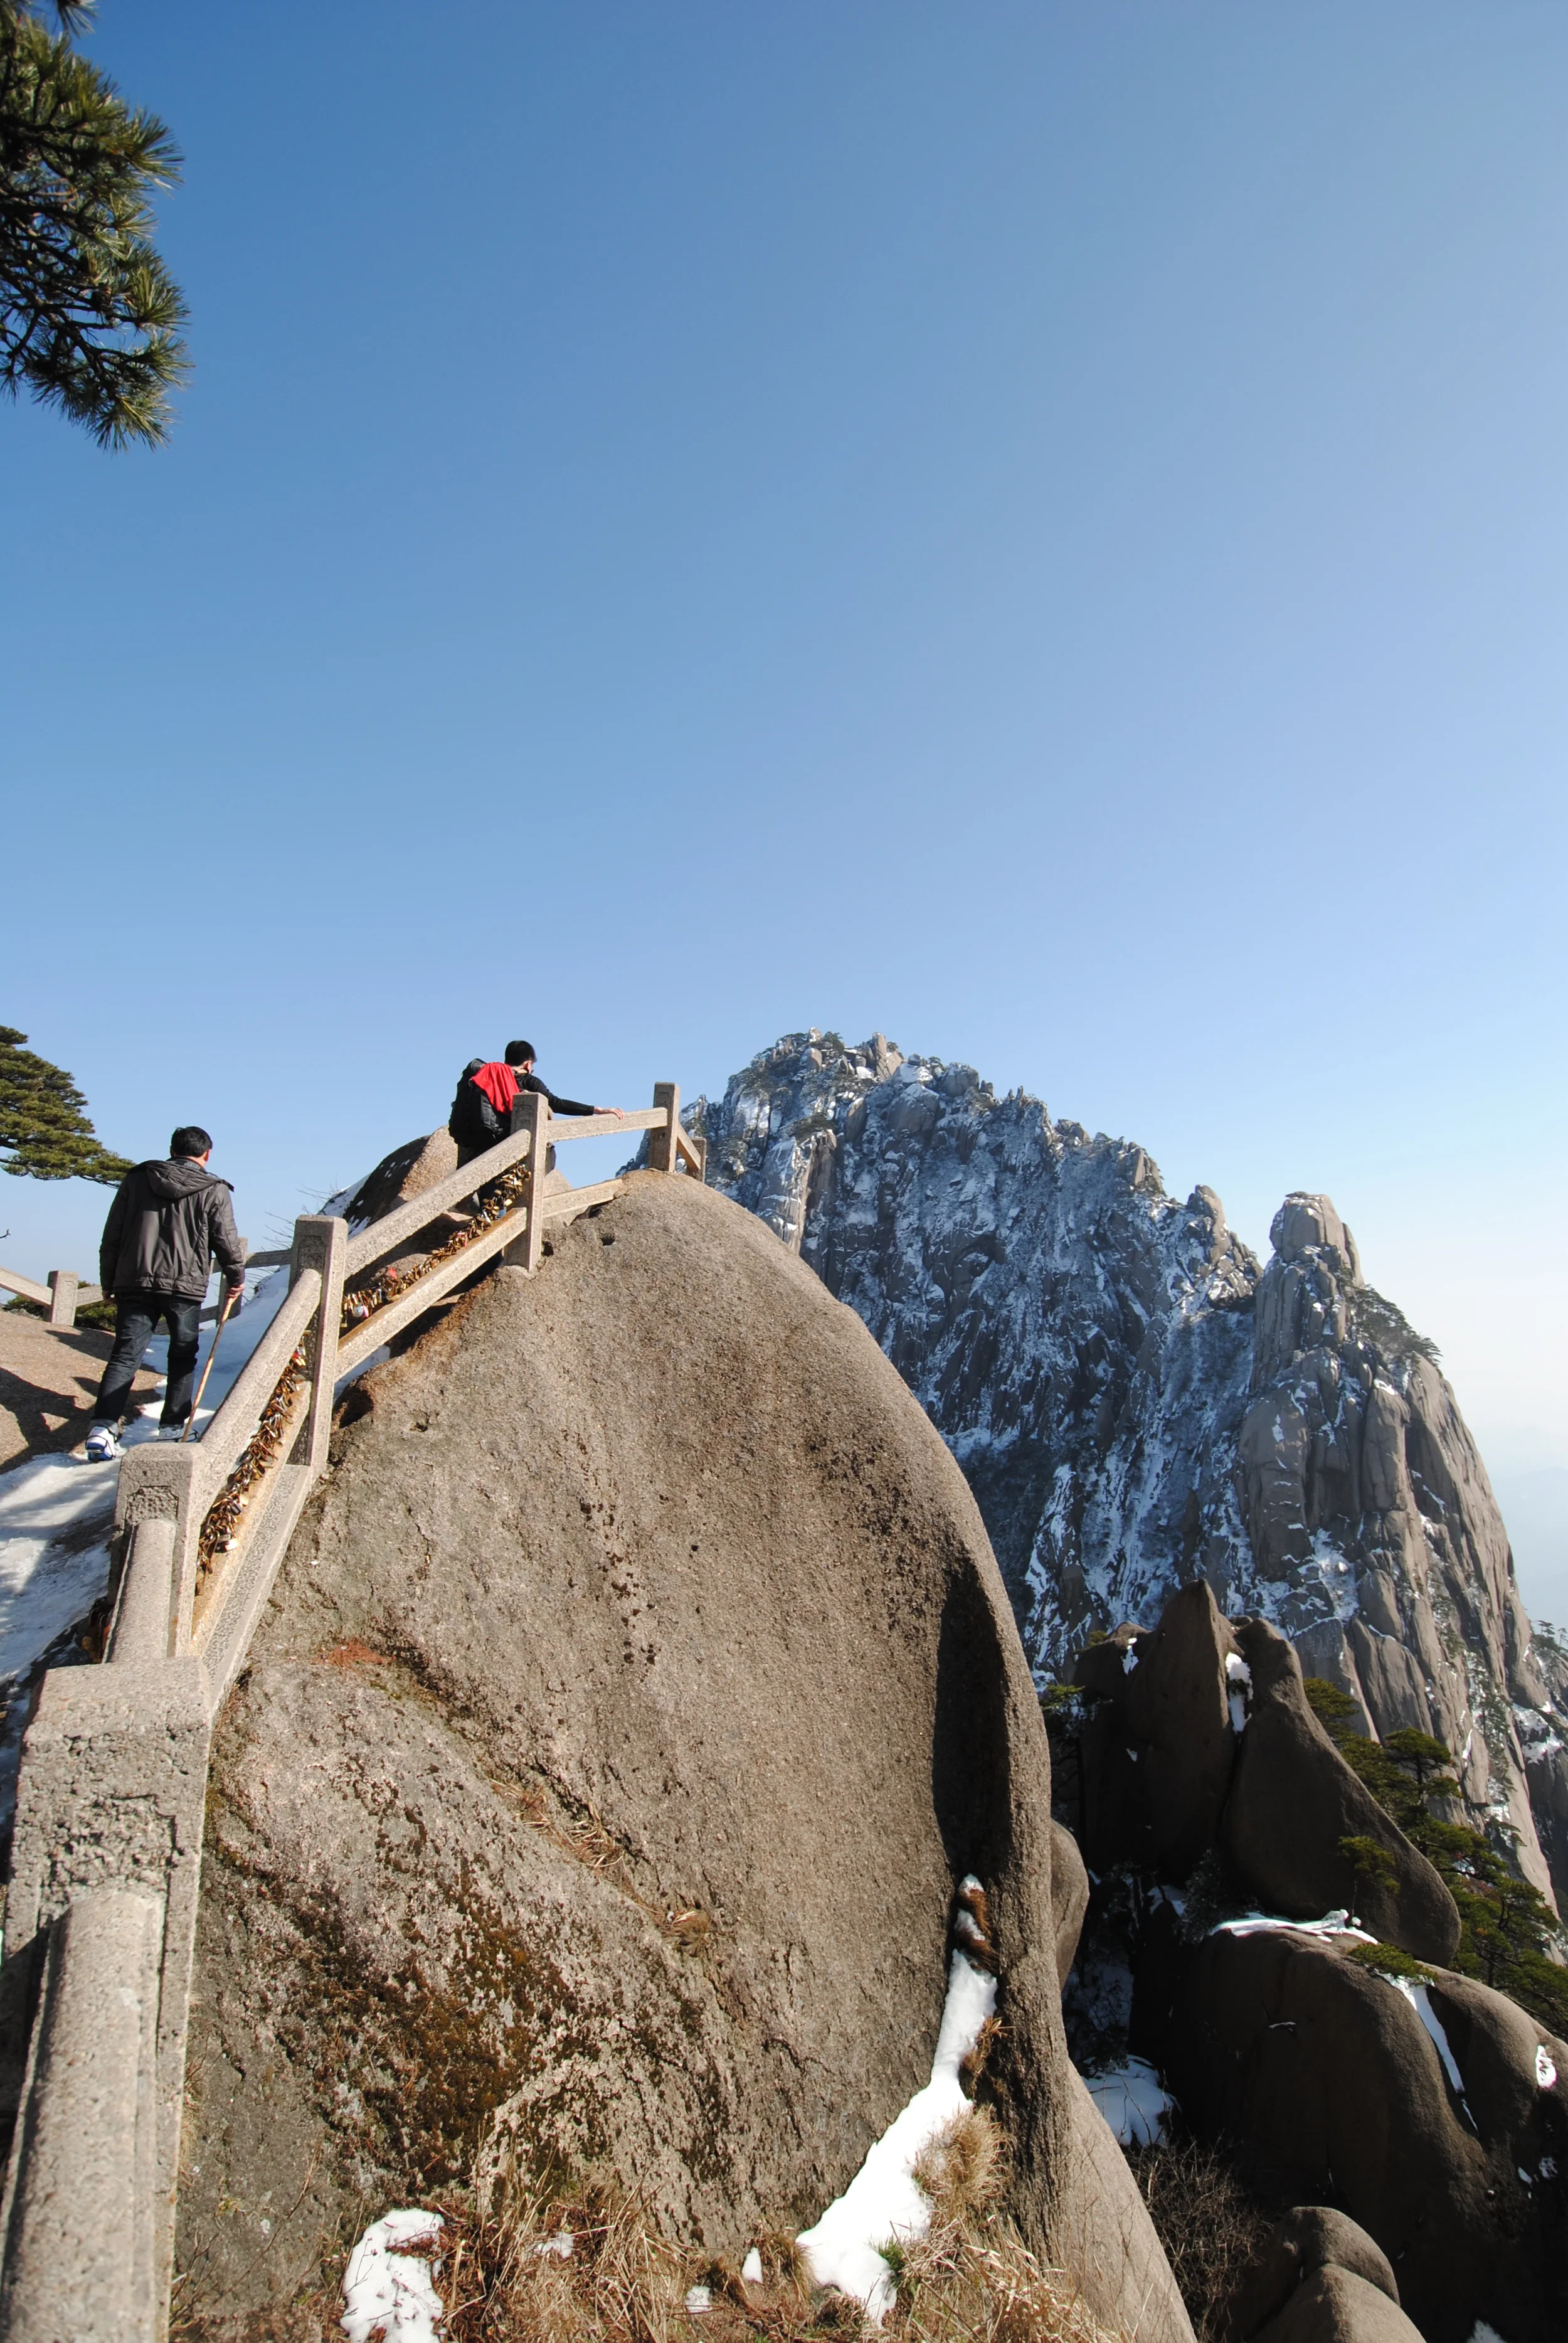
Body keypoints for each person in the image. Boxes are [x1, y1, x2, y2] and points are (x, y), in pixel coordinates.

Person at [85, 1125, 246, 1460]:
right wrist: (236, 1277)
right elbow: (226, 1241)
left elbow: (111, 1236)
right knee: (183, 1355)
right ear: (207, 1154)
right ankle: (173, 1429)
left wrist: (108, 1283)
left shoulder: (137, 1179)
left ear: (172, 1150)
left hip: (135, 1280)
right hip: (185, 1285)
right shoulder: (214, 1189)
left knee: (125, 1354)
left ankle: (103, 1428)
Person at [447, 1041, 623, 1169]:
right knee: (498, 1195)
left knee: (474, 1192)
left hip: (470, 1139)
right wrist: (595, 1110)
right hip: (500, 1142)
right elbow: (555, 1103)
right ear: (528, 1063)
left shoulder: (486, 1074)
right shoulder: (528, 1081)